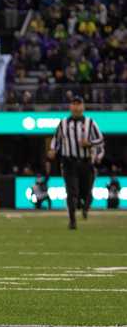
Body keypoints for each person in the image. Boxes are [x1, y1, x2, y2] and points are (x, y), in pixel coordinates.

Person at [47, 96, 105, 229]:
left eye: (79, 104)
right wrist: (52, 150)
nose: (76, 107)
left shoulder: (90, 122)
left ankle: (84, 209)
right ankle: (72, 220)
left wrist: (89, 143)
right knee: (71, 191)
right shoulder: (63, 123)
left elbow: (101, 139)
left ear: (83, 107)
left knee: (85, 192)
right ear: (70, 107)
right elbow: (57, 139)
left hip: (85, 162)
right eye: (74, 104)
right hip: (69, 162)